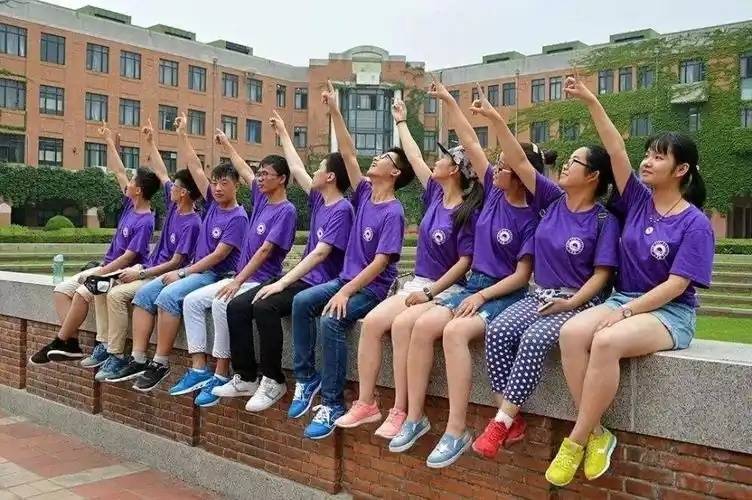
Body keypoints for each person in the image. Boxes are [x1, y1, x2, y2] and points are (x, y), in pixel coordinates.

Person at [545, 76, 714, 486]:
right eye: (648, 154)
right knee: (571, 333)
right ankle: (599, 434)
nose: (648, 161)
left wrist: (625, 312)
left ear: (682, 170)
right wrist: (591, 101)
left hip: (669, 314)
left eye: (659, 157)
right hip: (624, 299)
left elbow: (676, 286)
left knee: (605, 341)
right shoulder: (638, 200)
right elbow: (616, 150)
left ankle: (576, 440)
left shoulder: (695, 224)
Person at [387, 79, 538, 468]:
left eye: (505, 166)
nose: (497, 168)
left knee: (454, 333)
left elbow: (522, 276)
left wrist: (482, 296)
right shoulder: (492, 194)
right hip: (472, 287)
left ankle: (456, 430)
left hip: (503, 293)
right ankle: (414, 417)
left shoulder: (531, 217)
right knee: (420, 326)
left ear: (521, 174)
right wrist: (449, 102)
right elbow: (470, 141)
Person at [467, 84, 619, 463]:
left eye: (575, 162)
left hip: (578, 303)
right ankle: (511, 419)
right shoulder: (551, 200)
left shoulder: (604, 220)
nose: (565, 165)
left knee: (534, 339)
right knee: (498, 330)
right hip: (541, 295)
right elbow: (519, 161)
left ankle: (501, 422)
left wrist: (572, 302)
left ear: (593, 176)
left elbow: (601, 275)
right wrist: (495, 118)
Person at [334, 97, 481, 440]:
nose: (435, 161)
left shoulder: (466, 211)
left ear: (454, 169)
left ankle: (401, 410)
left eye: (443, 158)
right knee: (372, 323)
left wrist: (431, 292)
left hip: (445, 290)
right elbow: (413, 156)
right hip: (418, 284)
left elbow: (465, 262)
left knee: (402, 326)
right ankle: (367, 403)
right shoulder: (435, 195)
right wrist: (400, 121)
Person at [288, 81, 415, 440]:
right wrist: (334, 109)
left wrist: (346, 291)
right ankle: (307, 378)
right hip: (346, 280)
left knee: (331, 320)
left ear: (395, 173)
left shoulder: (393, 212)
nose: (376, 159)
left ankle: (333, 403)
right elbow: (347, 153)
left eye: (385, 158)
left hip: (371, 289)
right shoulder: (363, 193)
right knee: (301, 302)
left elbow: (380, 264)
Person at [216, 110, 353, 412]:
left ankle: (273, 380)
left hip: (320, 282)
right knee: (237, 306)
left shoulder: (343, 209)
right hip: (300, 278)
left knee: (265, 306)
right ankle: (246, 376)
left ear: (331, 176)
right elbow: (296, 167)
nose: (313, 172)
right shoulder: (319, 200)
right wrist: (283, 133)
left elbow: (321, 254)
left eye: (320, 168)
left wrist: (282, 282)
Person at [111, 117, 248, 393]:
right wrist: (182, 134)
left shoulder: (238, 217)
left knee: (167, 297)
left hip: (215, 274)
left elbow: (218, 257)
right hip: (197, 271)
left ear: (237, 186)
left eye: (224, 183)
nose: (217, 188)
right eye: (214, 183)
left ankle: (160, 362)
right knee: (143, 295)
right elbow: (193, 165)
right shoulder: (212, 205)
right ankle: (138, 358)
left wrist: (183, 272)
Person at [169, 121, 297, 407]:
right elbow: (242, 168)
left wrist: (238, 281)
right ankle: (202, 370)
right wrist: (226, 144)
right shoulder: (261, 200)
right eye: (259, 174)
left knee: (223, 303)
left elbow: (265, 251)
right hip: (241, 277)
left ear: (282, 179)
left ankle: (226, 373)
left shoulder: (286, 211)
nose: (259, 179)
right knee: (192, 302)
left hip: (259, 278)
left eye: (266, 174)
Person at [30, 123, 158, 365]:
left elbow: (129, 257)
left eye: (132, 181)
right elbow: (119, 171)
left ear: (139, 190)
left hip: (121, 271)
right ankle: (71, 343)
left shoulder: (146, 221)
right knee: (61, 291)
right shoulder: (130, 205)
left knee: (81, 293)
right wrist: (109, 140)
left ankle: (59, 341)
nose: (128, 182)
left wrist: (100, 272)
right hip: (107, 266)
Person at [95, 118, 202, 381]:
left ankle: (125, 356)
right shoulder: (174, 206)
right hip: (148, 269)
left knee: (118, 294)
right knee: (102, 286)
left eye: (176, 186)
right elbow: (162, 172)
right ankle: (126, 354)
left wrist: (141, 273)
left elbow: (176, 263)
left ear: (184, 193)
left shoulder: (193, 223)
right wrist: (150, 141)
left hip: (161, 275)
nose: (170, 187)